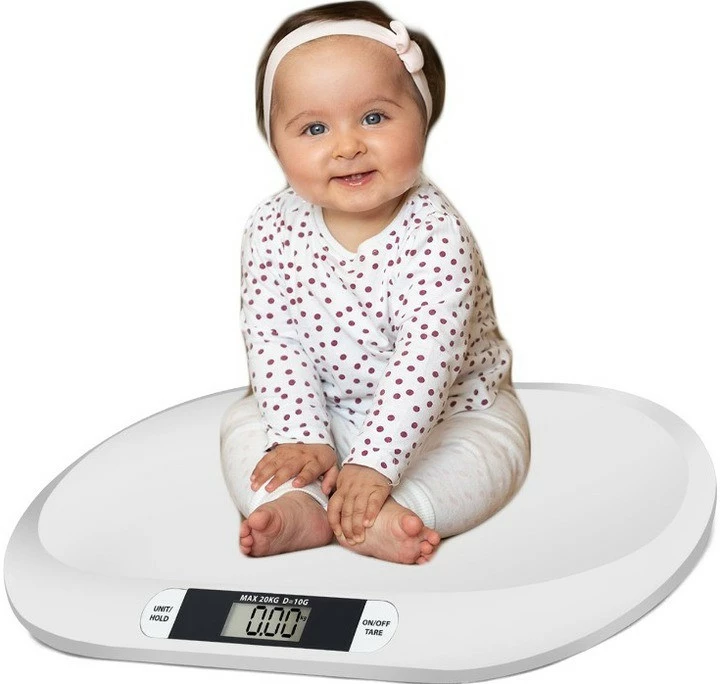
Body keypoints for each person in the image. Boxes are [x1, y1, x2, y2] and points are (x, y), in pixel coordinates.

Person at [220, 1, 531, 565]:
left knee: (488, 455)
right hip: (320, 407)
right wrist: (302, 434)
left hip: (449, 411)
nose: (347, 146)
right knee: (244, 425)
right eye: (314, 128)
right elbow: (273, 339)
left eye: (374, 118)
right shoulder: (270, 227)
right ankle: (299, 504)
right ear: (276, 145)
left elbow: (426, 359)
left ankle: (401, 509)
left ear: (423, 118)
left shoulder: (436, 235)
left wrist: (376, 462)